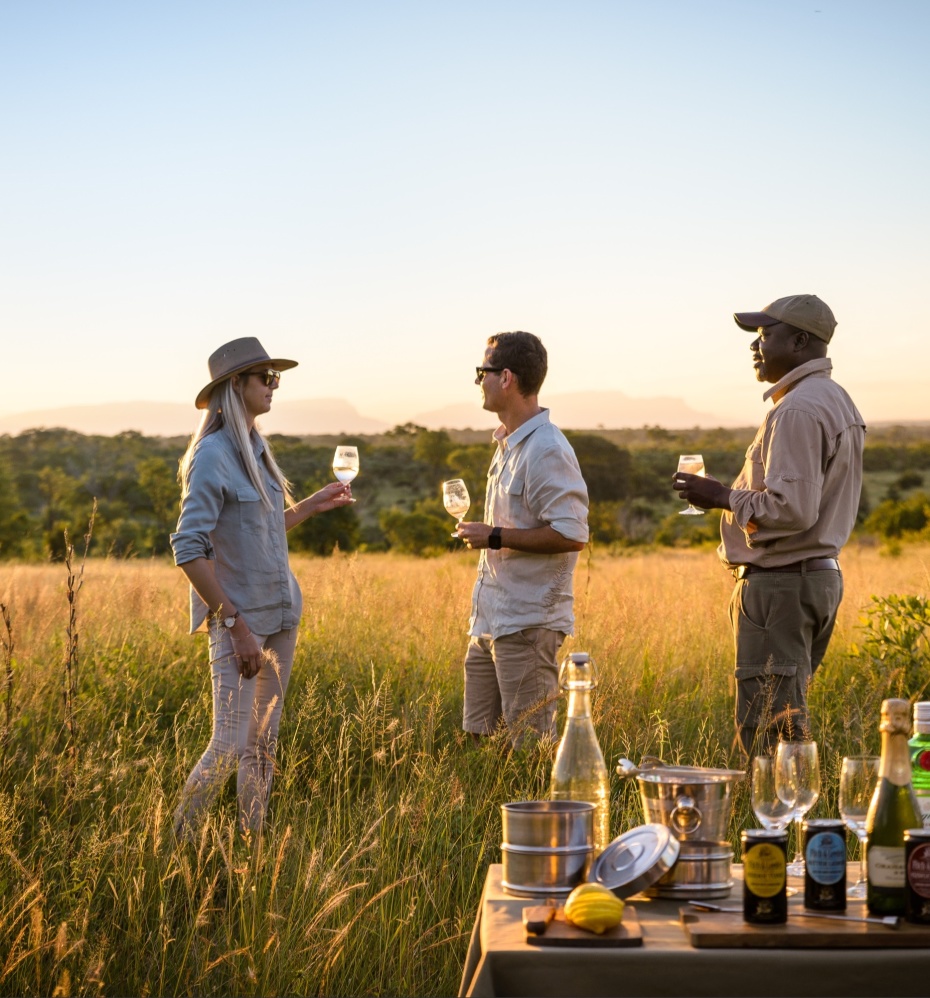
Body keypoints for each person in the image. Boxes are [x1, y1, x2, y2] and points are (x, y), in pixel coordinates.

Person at [170, 336, 353, 838]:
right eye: (265, 377)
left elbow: (261, 531)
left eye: (277, 377)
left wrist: (311, 505)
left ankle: (254, 845)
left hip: (281, 614)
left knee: (262, 745)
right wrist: (234, 625)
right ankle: (176, 848)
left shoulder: (257, 446)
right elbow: (188, 548)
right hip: (242, 622)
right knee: (228, 744)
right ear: (236, 386)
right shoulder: (212, 455)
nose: (275, 386)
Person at [673, 295, 865, 755]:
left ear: (799, 341)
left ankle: (777, 822)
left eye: (766, 335)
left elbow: (792, 509)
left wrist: (720, 496)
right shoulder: (835, 400)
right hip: (810, 578)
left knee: (768, 732)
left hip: (781, 584)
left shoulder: (797, 409)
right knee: (784, 719)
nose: (755, 347)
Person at [456, 331, 589, 748]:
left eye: (483, 372)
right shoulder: (506, 443)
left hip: (528, 622)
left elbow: (572, 534)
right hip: (490, 619)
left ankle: (540, 813)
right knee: (481, 741)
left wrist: (493, 536)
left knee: (531, 747)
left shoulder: (546, 448)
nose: (479, 380)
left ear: (507, 377)